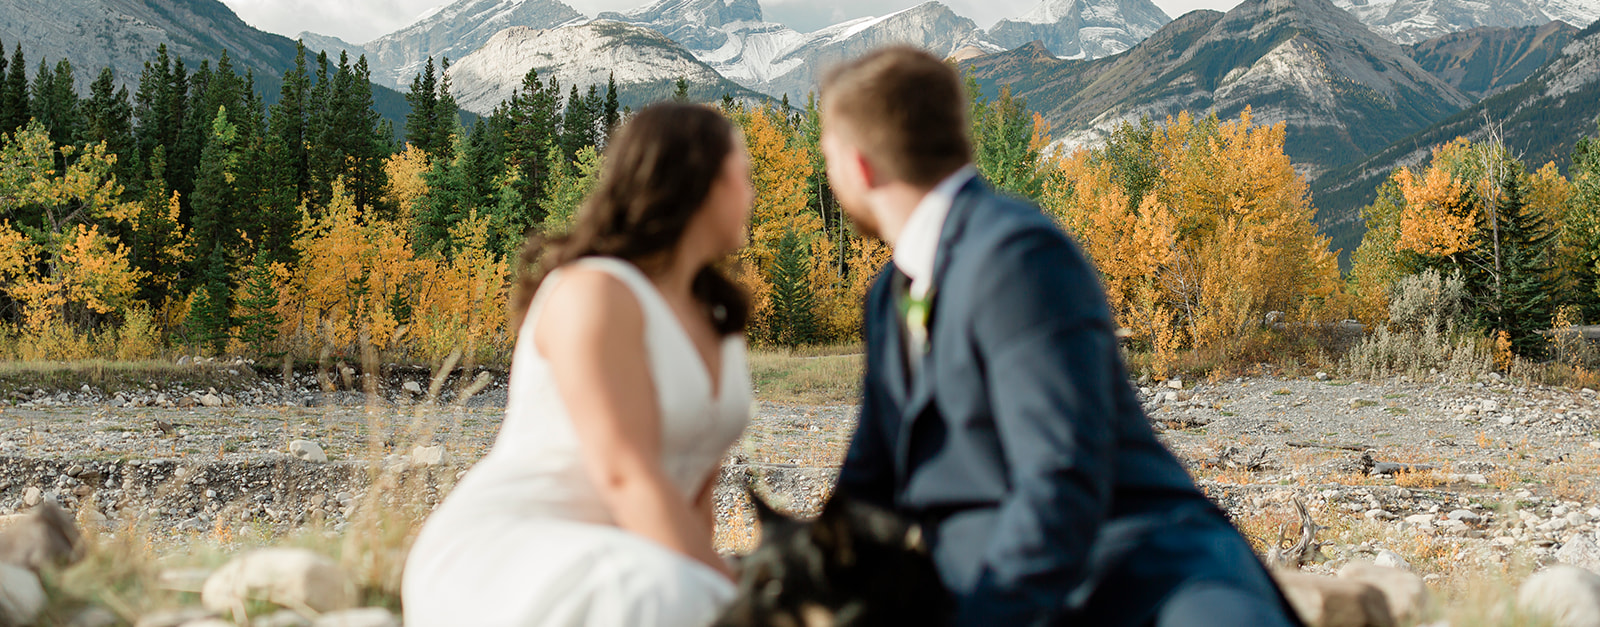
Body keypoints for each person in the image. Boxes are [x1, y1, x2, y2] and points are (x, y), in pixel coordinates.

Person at [819, 47, 1298, 627]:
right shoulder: (888, 295)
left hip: (1136, 583)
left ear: (859, 166)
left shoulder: (1016, 256)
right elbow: (868, 482)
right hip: (988, 591)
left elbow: (1061, 482)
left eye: (827, 155)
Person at [402, 103, 755, 627]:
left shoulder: (716, 316)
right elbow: (624, 474)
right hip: (514, 553)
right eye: (743, 176)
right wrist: (733, 601)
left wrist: (710, 582)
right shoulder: (594, 292)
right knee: (669, 598)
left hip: (641, 558)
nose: (752, 194)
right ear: (699, 182)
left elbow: (696, 488)